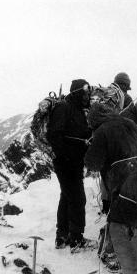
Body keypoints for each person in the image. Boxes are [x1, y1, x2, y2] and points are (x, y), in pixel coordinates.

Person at [84, 102, 137, 270]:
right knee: (134, 209)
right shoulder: (130, 123)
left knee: (118, 216)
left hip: (120, 176)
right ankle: (136, 246)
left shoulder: (101, 131)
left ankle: (115, 254)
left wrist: (91, 147)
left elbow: (93, 163)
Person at [47, 79, 93, 250]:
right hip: (66, 163)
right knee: (78, 199)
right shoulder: (64, 107)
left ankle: (62, 235)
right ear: (78, 93)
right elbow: (54, 134)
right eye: (86, 92)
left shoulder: (78, 110)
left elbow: (78, 131)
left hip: (73, 161)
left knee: (67, 196)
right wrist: (65, 156)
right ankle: (76, 238)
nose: (88, 95)